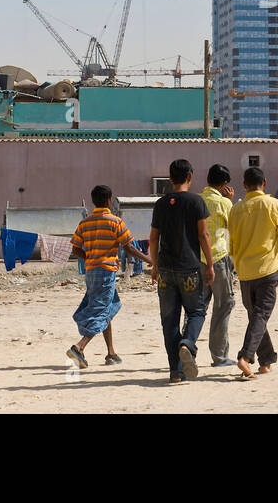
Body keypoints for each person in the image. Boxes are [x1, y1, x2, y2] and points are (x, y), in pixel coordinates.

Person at [227, 166, 278, 379]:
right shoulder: (275, 205)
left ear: (244, 185)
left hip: (244, 271)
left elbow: (231, 243)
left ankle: (266, 360)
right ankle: (245, 356)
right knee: (260, 315)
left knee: (256, 316)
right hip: (267, 269)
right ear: (265, 183)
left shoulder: (236, 210)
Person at [67, 185, 151, 370]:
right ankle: (78, 347)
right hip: (106, 272)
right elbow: (129, 247)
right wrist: (148, 259)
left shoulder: (85, 223)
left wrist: (90, 257)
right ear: (108, 201)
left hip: (91, 272)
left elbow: (75, 249)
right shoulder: (115, 222)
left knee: (108, 307)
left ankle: (111, 353)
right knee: (101, 310)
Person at [149, 158, 213, 383]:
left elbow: (154, 238)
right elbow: (204, 235)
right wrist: (211, 264)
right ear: (190, 177)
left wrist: (154, 264)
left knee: (169, 321)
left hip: (165, 268)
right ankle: (188, 343)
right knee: (196, 312)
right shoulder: (196, 202)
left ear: (170, 179)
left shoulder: (160, 204)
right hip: (189, 267)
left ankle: (175, 373)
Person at [199, 163, 236, 367]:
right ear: (224, 184)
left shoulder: (197, 200)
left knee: (197, 309)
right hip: (219, 258)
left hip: (198, 260)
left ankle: (186, 346)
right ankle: (220, 356)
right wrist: (228, 201)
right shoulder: (224, 203)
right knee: (223, 307)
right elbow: (233, 228)